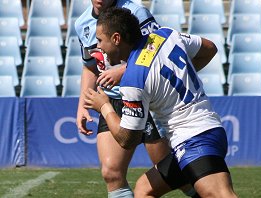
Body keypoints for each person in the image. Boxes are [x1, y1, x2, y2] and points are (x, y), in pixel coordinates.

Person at [83, 7, 238, 198]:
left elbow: (127, 139)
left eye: (100, 40)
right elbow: (209, 48)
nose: (99, 47)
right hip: (203, 130)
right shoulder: (165, 34)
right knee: (144, 189)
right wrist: (179, 80)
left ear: (116, 39)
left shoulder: (133, 79)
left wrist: (104, 106)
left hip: (195, 139)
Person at [74, 0, 198, 197]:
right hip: (113, 101)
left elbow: (157, 51)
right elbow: (90, 66)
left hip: (145, 96)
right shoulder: (81, 24)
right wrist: (82, 105)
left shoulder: (136, 12)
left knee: (174, 174)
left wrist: (123, 71)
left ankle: (209, 192)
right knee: (111, 173)